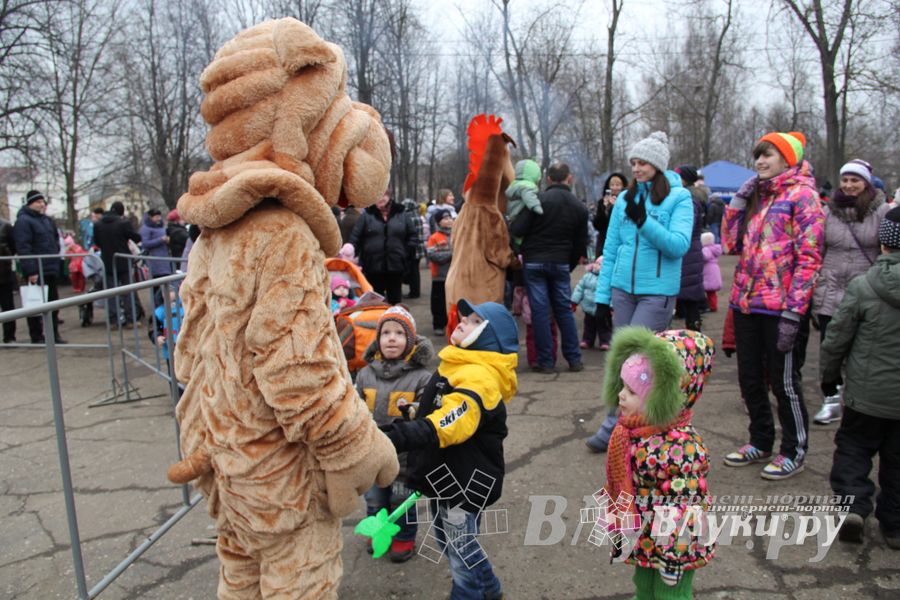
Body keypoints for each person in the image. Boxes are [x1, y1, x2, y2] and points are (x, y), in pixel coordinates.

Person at [380, 299, 517, 600]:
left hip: (464, 482)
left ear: (488, 336)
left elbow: (450, 421)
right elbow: (443, 406)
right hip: (449, 475)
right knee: (452, 540)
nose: (461, 321)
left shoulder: (480, 380)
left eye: (471, 321)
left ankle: (466, 593)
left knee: (459, 546)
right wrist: (417, 411)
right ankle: (491, 589)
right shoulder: (460, 365)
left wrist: (399, 435)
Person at [721, 131, 824, 480]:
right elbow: (730, 244)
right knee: (750, 380)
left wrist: (794, 312)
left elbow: (810, 258)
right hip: (748, 305)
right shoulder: (757, 196)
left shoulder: (804, 196)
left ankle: (794, 450)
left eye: (768, 155)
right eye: (758, 156)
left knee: (784, 383)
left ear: (787, 158)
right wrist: (737, 202)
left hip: (782, 308)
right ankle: (760, 441)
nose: (761, 162)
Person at [586, 132, 693, 452]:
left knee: (640, 361)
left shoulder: (679, 198)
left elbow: (678, 245)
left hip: (656, 292)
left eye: (642, 162)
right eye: (633, 162)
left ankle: (633, 425)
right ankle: (619, 421)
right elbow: (612, 249)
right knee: (621, 359)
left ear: (658, 165)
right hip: (622, 290)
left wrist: (644, 221)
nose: (636, 168)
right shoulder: (623, 200)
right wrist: (602, 297)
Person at [600, 327, 715, 598]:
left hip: (674, 548)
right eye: (622, 386)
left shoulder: (681, 447)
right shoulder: (633, 430)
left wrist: (674, 556)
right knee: (643, 586)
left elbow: (686, 505)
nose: (621, 395)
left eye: (632, 390)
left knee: (670, 595)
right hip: (647, 535)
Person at [821, 207, 900, 548]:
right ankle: (895, 525)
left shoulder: (864, 286)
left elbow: (837, 337)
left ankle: (852, 505)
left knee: (853, 448)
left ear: (883, 245)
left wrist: (829, 378)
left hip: (865, 396)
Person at [811, 159, 891, 425]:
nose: (848, 185)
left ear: (866, 182)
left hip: (865, 288)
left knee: (861, 348)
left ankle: (856, 399)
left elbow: (887, 249)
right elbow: (818, 248)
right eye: (845, 180)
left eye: (854, 180)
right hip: (830, 286)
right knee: (830, 345)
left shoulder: (880, 211)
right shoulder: (828, 211)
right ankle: (831, 398)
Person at [355, 306, 435, 562]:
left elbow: (430, 410)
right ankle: (378, 530)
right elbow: (353, 405)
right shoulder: (365, 374)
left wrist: (412, 410)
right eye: (386, 332)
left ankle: (403, 537)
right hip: (371, 454)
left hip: (405, 457)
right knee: (375, 499)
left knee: (401, 502)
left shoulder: (422, 377)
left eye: (399, 333)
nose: (391, 338)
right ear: (377, 339)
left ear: (410, 341)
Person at [510, 161, 588, 374]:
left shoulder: (538, 201)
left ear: (549, 180)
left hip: (534, 261)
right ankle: (574, 359)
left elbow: (517, 229)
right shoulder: (579, 207)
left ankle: (546, 361)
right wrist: (568, 263)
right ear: (569, 178)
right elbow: (581, 243)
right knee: (564, 310)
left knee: (540, 312)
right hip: (561, 261)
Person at [12, 190, 66, 344]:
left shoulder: (47, 220)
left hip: (50, 267)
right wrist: (31, 270)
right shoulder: (23, 221)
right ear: (30, 203)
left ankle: (53, 334)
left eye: (43, 201)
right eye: (38, 202)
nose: (42, 204)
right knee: (35, 304)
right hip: (37, 269)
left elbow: (55, 240)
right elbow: (24, 247)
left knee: (53, 304)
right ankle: (36, 335)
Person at [349, 189, 417, 305]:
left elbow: (412, 236)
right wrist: (350, 252)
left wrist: (405, 254)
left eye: (383, 196)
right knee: (375, 299)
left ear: (389, 197)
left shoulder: (401, 214)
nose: (380, 199)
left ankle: (395, 321)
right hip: (372, 265)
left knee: (395, 299)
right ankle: (376, 321)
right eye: (377, 196)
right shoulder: (366, 216)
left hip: (396, 264)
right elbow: (355, 237)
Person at [93, 201, 142, 326]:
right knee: (127, 291)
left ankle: (113, 320)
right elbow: (136, 237)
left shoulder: (98, 224)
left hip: (107, 262)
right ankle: (131, 319)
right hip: (123, 260)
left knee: (110, 293)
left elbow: (97, 243)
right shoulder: (123, 223)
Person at [675, 165, 707, 332]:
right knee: (688, 296)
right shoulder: (690, 197)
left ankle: (695, 337)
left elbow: (686, 227)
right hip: (690, 251)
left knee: (690, 298)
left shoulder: (688, 200)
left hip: (688, 254)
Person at [572, 257, 610, 350]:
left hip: (603, 307)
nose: (598, 266)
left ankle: (605, 341)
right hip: (588, 306)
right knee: (589, 325)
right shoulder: (587, 277)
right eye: (597, 263)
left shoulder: (608, 279)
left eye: (601, 265)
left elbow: (612, 293)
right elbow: (579, 289)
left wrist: (612, 307)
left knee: (604, 326)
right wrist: (574, 301)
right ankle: (587, 340)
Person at [426, 208, 454, 336]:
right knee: (438, 302)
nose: (449, 221)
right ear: (439, 222)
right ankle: (438, 324)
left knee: (453, 301)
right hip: (439, 277)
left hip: (454, 276)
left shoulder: (457, 235)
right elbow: (433, 256)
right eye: (445, 218)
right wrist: (452, 254)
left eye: (450, 218)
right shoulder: (434, 237)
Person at [505, 159, 543, 247]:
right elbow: (529, 197)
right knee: (519, 239)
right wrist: (537, 207)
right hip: (521, 217)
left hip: (513, 215)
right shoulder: (527, 186)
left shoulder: (514, 185)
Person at [140, 208, 173, 308]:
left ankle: (166, 307)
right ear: (150, 217)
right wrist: (160, 240)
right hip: (154, 262)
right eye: (156, 216)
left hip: (164, 260)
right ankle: (157, 309)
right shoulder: (146, 229)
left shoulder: (161, 226)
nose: (158, 218)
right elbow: (145, 243)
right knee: (156, 287)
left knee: (167, 286)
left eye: (159, 216)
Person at [592, 172, 628, 258]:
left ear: (623, 186)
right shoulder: (602, 202)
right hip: (604, 242)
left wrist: (616, 207)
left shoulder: (627, 202)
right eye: (612, 185)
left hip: (621, 241)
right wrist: (604, 209)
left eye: (618, 185)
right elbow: (597, 225)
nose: (614, 187)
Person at [401, 198, 425, 299]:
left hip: (412, 249)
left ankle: (414, 292)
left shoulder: (408, 217)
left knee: (412, 271)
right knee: (416, 271)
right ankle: (415, 291)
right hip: (419, 248)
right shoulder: (418, 217)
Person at [0, 215, 16, 343]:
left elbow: (13, 246)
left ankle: (9, 336)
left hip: (3, 272)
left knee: (8, 306)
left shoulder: (5, 226)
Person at [701, 231, 722, 312]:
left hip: (707, 270)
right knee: (712, 293)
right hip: (714, 269)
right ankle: (713, 306)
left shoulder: (705, 249)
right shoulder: (715, 248)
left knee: (707, 291)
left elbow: (705, 257)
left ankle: (709, 306)